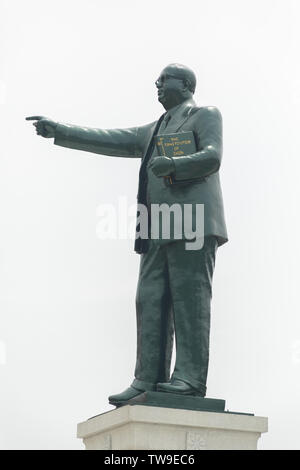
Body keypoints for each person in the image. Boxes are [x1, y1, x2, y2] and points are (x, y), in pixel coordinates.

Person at [26, 63, 228, 406]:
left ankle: (190, 379)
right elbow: (112, 139)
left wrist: (175, 166)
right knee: (149, 300)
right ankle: (147, 376)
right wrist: (60, 129)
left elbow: (212, 156)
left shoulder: (204, 114)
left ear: (186, 84)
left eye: (164, 79)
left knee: (188, 301)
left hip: (193, 222)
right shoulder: (154, 128)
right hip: (156, 226)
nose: (157, 84)